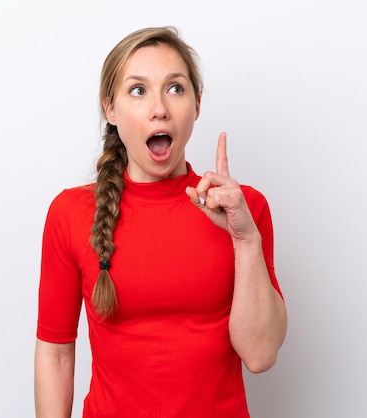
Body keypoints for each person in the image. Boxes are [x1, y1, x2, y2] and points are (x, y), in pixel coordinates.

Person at [34, 26, 287, 418]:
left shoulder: (244, 209)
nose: (159, 108)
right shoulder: (70, 213)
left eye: (175, 88)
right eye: (138, 90)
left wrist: (245, 240)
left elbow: (260, 354)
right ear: (111, 109)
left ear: (197, 104)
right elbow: (55, 353)